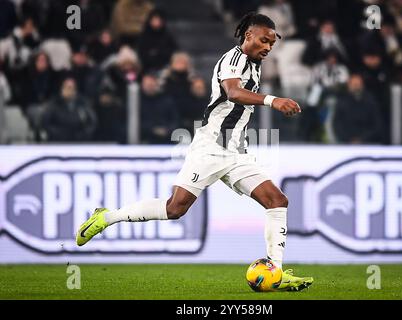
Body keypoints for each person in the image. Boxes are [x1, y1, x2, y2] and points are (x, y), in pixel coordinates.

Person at [75, 12, 313, 292]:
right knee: (175, 208)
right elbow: (233, 93)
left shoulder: (255, 64)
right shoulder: (232, 59)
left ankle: (275, 270)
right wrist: (274, 100)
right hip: (211, 148)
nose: (268, 47)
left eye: (272, 43)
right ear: (248, 35)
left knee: (277, 200)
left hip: (237, 152)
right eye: (264, 40)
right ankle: (106, 217)